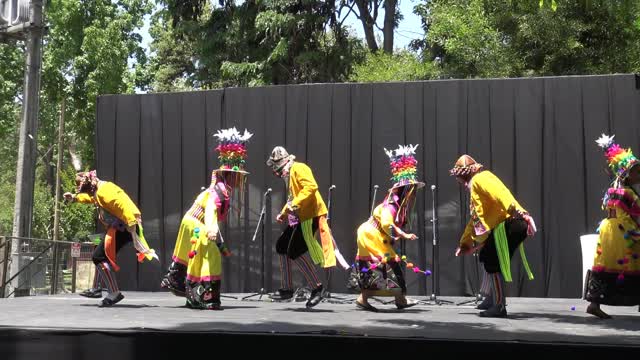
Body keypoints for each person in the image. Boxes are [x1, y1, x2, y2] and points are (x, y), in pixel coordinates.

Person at [451, 155, 536, 318]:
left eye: (458, 177)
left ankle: (498, 305)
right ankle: (491, 299)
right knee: (486, 256)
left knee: (491, 260)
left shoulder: (480, 179)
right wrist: (465, 242)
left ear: (464, 174)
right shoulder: (476, 185)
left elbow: (501, 194)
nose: (458, 181)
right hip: (510, 225)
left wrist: (518, 211)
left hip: (511, 224)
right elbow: (475, 218)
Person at [266, 146, 349, 308]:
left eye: (279, 169)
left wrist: (294, 205)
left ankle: (317, 288)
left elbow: (311, 187)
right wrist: (283, 213)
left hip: (312, 216)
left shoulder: (299, 168)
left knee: (294, 251)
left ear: (285, 164)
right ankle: (287, 288)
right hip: (303, 217)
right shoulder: (290, 176)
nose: (279, 173)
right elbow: (292, 198)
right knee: (282, 246)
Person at [64, 170, 158, 307]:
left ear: (89, 185)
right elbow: (92, 198)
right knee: (100, 254)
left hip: (125, 226)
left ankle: (113, 292)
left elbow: (123, 204)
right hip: (120, 227)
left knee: (99, 256)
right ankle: (100, 289)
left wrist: (131, 223)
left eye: (80, 187)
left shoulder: (105, 191)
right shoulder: (98, 190)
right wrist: (74, 197)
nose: (80, 190)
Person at [351, 144, 424, 312]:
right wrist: (403, 235)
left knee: (381, 265)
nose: (413, 194)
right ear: (406, 192)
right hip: (370, 235)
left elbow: (388, 227)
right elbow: (386, 224)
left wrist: (395, 236)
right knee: (389, 264)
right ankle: (399, 299)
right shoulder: (390, 206)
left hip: (372, 234)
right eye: (412, 191)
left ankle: (368, 298)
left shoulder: (396, 206)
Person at [585, 134, 640, 319]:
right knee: (632, 262)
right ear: (625, 173)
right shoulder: (627, 193)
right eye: (636, 171)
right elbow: (631, 214)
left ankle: (594, 303)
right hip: (623, 232)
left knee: (605, 265)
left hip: (608, 231)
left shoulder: (612, 191)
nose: (638, 174)